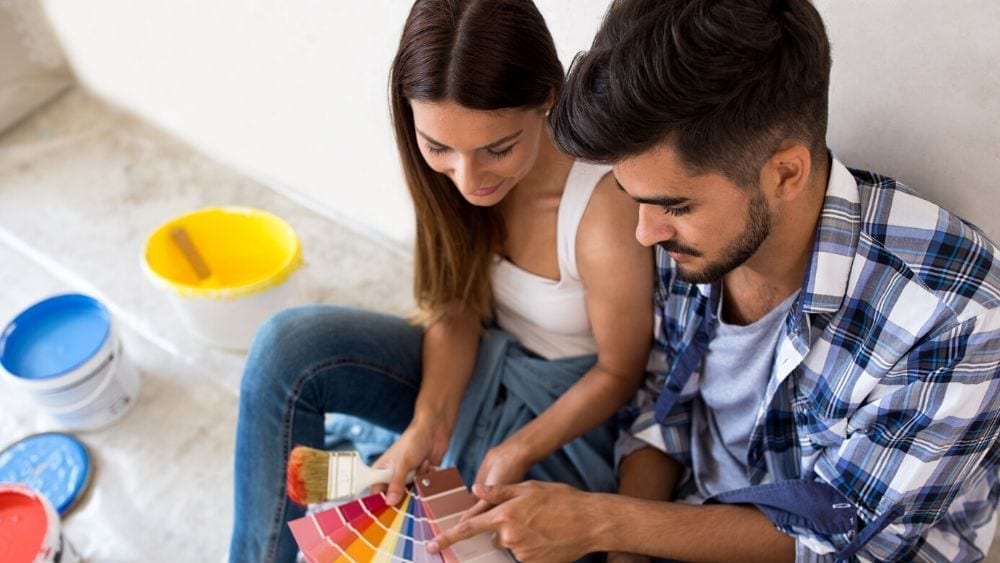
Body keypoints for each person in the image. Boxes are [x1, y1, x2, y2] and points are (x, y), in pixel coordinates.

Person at [427, 0, 1000, 561]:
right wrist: (624, 547)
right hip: (675, 517)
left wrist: (603, 523)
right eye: (634, 198)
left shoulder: (957, 315)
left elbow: (842, 537)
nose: (643, 233)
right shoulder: (691, 238)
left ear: (785, 172)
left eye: (673, 206)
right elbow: (661, 410)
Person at [227, 0, 654, 560]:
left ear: (549, 94)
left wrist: (518, 448)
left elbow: (620, 373)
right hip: (473, 365)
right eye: (439, 148)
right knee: (288, 346)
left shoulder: (602, 211)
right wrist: (430, 421)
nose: (467, 177)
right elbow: (455, 307)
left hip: (563, 413)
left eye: (497, 149)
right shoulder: (452, 180)